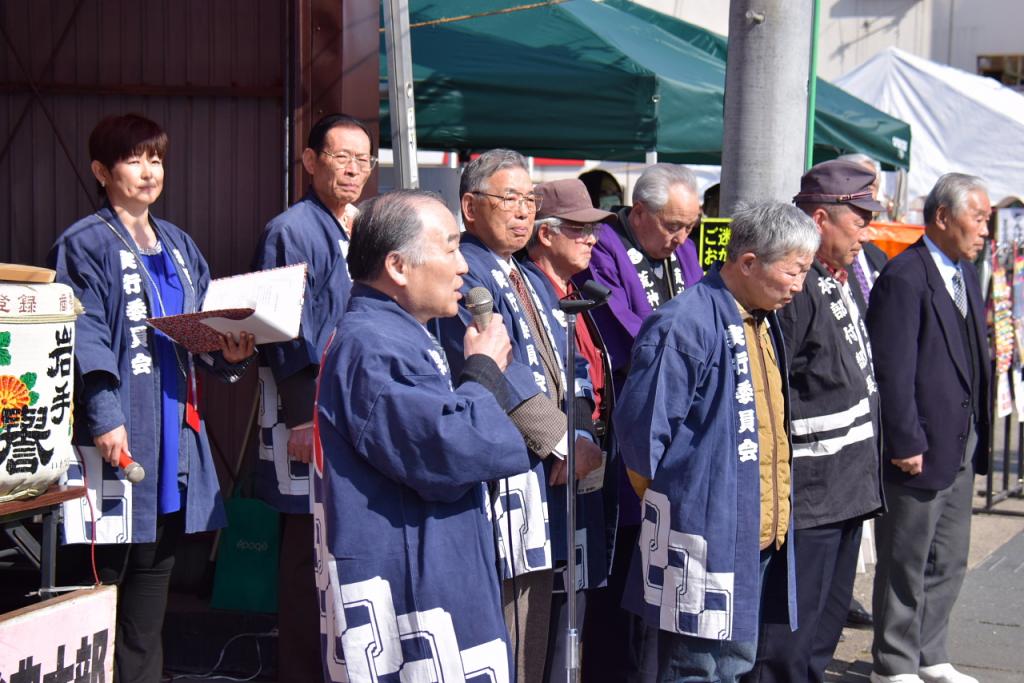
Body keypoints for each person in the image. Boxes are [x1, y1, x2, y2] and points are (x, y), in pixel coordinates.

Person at [50, 113, 255, 683]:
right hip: (119, 430)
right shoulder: (84, 243)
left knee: (154, 574)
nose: (149, 171)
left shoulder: (181, 244)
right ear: (101, 171)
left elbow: (201, 330)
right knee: (101, 575)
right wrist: (105, 416)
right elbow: (83, 332)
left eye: (157, 158)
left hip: (173, 432)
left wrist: (230, 356)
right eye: (134, 159)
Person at [312, 190, 533, 683]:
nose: (462, 268)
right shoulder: (372, 344)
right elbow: (450, 449)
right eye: (450, 248)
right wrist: (482, 372)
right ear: (397, 265)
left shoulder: (398, 331)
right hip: (412, 573)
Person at [616, 202, 818, 683]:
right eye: (793, 272)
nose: (799, 286)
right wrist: (687, 506)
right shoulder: (685, 322)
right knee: (695, 667)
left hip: (755, 530)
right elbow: (641, 436)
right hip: (701, 534)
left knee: (733, 663)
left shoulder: (760, 317)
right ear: (748, 262)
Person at [435, 149, 602, 683]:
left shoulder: (520, 272)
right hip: (505, 468)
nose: (524, 210)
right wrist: (560, 441)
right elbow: (497, 370)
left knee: (536, 623)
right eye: (510, 199)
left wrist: (572, 435)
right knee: (507, 626)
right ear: (470, 206)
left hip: (540, 470)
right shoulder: (468, 272)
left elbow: (550, 369)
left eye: (530, 199)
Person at [747, 160, 886, 683]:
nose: (866, 231)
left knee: (822, 636)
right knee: (787, 642)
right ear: (823, 218)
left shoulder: (837, 273)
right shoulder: (793, 286)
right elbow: (776, 389)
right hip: (810, 496)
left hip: (848, 487)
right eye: (859, 218)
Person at [250, 113, 374, 682]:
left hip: (351, 408)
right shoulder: (292, 229)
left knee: (340, 541)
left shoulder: (362, 226)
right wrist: (302, 417)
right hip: (305, 409)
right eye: (340, 156)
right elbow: (281, 330)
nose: (353, 169)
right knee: (306, 548)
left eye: (363, 160)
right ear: (309, 161)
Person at [574, 162, 704, 680]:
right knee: (627, 569)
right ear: (640, 212)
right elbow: (628, 340)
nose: (681, 237)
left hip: (680, 429)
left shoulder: (683, 249)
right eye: (673, 225)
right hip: (631, 429)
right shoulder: (604, 246)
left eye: (689, 226)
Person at [866, 173, 992, 683]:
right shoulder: (905, 275)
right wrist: (904, 438)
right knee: (905, 557)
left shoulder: (964, 273)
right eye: (978, 218)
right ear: (943, 217)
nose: (985, 230)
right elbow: (893, 369)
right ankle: (893, 661)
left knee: (949, 556)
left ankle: (930, 653)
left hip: (959, 441)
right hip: (918, 444)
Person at [522, 178, 619, 682]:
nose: (592, 240)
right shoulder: (529, 289)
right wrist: (567, 439)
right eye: (579, 230)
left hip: (584, 450)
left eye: (592, 230)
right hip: (554, 460)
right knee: (553, 602)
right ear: (545, 235)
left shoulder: (573, 290)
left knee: (577, 597)